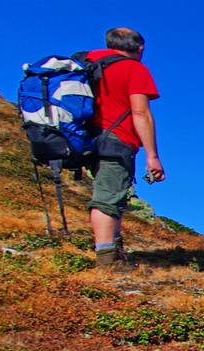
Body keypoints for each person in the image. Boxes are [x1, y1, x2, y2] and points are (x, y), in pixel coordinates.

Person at [85, 27, 164, 268]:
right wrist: (152, 156)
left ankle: (114, 253)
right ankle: (107, 262)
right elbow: (141, 112)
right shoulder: (133, 69)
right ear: (139, 48)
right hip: (117, 139)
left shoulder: (89, 62)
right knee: (107, 199)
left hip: (88, 138)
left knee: (111, 194)